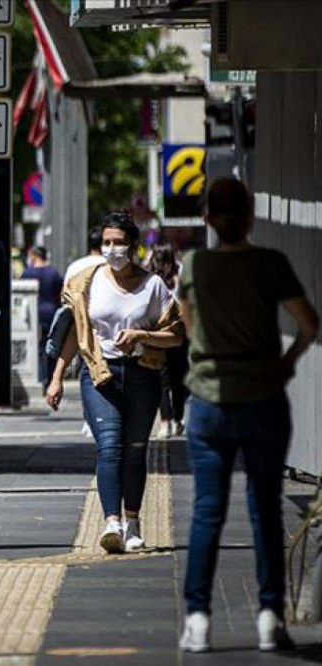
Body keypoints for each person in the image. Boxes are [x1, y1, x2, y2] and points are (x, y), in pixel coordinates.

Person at [177, 178, 320, 654]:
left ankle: (197, 619)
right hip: (263, 395)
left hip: (209, 400)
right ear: (250, 216)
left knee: (207, 511)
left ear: (208, 218)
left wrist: (205, 353)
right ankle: (268, 616)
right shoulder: (270, 263)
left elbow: (187, 316)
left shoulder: (194, 264)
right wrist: (287, 360)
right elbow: (309, 324)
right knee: (265, 510)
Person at [46, 212, 184, 554]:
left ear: (134, 246)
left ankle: (133, 521)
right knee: (109, 446)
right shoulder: (88, 283)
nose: (111, 249)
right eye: (107, 242)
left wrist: (142, 334)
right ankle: (112, 523)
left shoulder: (153, 286)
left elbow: (176, 335)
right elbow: (75, 334)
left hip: (142, 374)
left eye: (119, 243)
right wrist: (57, 377)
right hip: (99, 375)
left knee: (135, 451)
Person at [149, 243, 189, 439]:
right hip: (164, 333)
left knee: (176, 378)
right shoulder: (151, 276)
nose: (160, 265)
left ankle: (177, 420)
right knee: (165, 378)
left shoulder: (179, 274)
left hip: (176, 332)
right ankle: (167, 421)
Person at [21, 246, 64, 388]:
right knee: (51, 346)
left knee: (36, 348)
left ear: (34, 256)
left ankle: (40, 377)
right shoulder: (54, 273)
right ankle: (51, 379)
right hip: (52, 313)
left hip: (33, 315)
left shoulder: (27, 273)